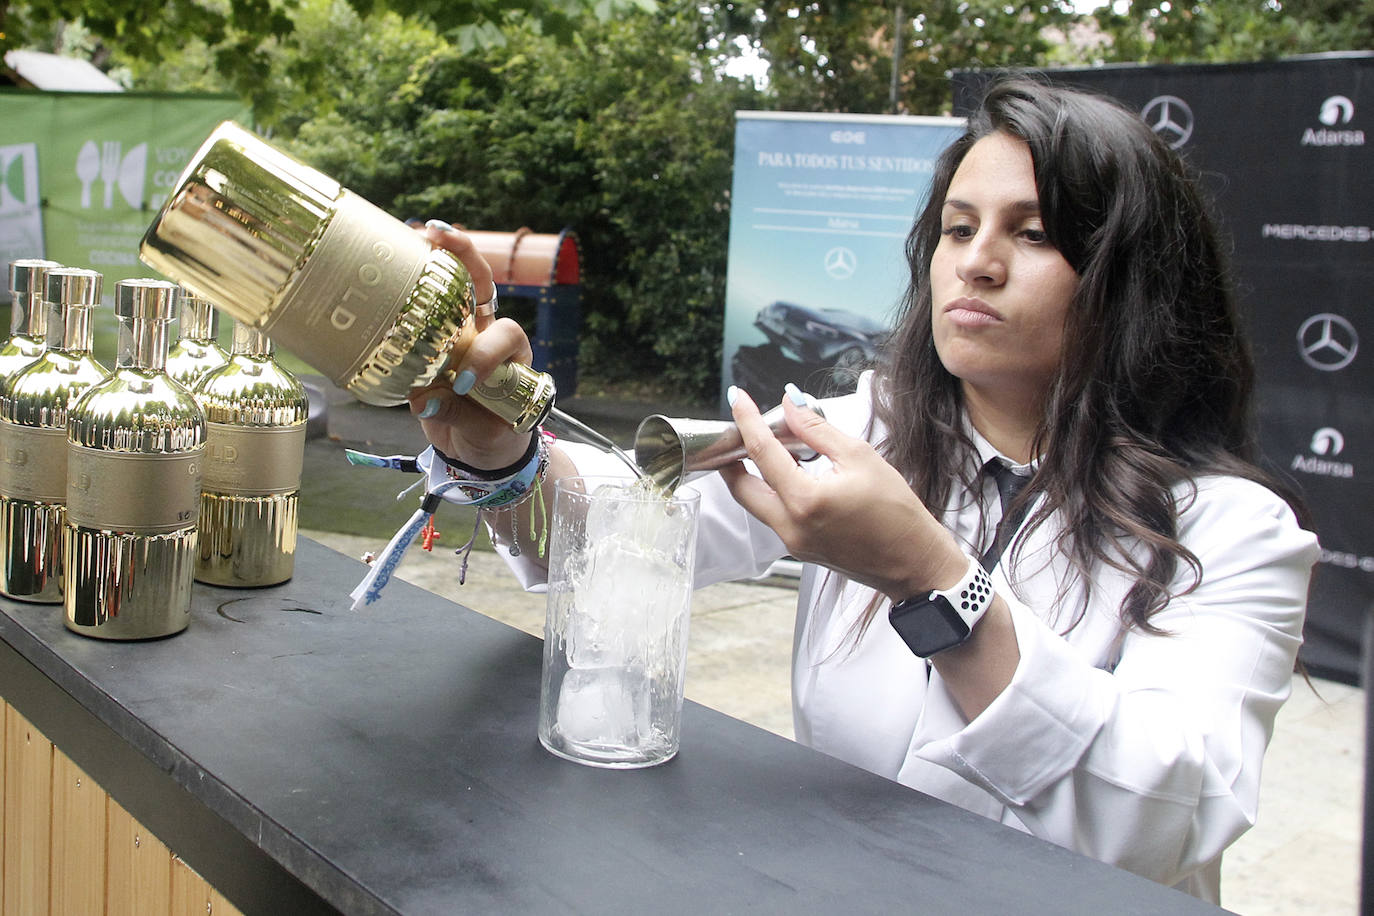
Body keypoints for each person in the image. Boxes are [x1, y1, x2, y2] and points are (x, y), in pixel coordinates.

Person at [404, 76, 1318, 904]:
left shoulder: (1234, 531)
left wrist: (933, 584)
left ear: (1134, 279)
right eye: (959, 228)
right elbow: (625, 526)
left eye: (1032, 233)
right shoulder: (863, 429)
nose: (978, 261)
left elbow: (1168, 817)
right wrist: (501, 454)